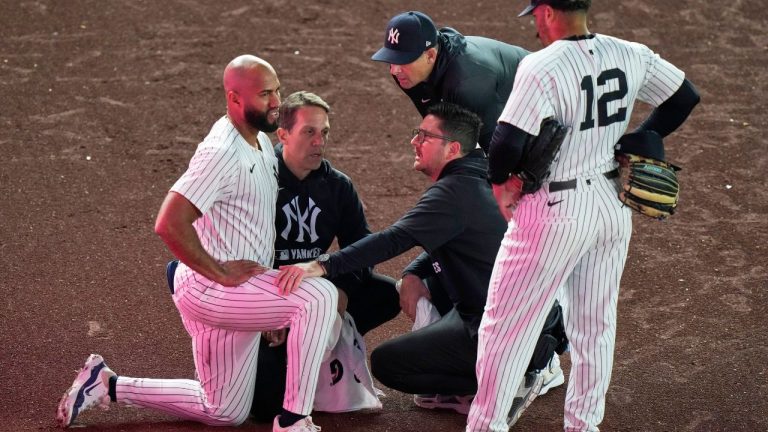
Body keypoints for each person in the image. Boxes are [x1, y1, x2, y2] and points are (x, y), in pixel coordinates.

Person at [56, 55, 338, 432]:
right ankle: (293, 421)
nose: (276, 103)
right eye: (266, 94)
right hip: (214, 288)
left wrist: (269, 307)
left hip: (238, 290)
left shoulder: (258, 146)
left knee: (224, 410)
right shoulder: (221, 153)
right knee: (319, 296)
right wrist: (220, 273)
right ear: (235, 98)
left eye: (278, 91)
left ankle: (107, 384)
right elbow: (168, 222)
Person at [467, 1, 701, 431]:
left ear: (550, 11)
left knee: (506, 329)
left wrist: (501, 183)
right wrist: (641, 135)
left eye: (536, 13)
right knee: (595, 326)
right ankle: (584, 426)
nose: (535, 22)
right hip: (612, 205)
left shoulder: (542, 65)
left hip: (554, 212)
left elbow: (505, 142)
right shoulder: (630, 53)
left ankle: (486, 426)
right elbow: (685, 96)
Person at [274, 102, 562, 417]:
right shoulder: (482, 173)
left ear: (452, 148)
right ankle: (516, 364)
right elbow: (453, 236)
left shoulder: (452, 193)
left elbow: (393, 239)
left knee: (388, 364)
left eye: (424, 136)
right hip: (533, 315)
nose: (414, 141)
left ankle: (509, 378)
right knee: (426, 280)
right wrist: (412, 272)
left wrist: (322, 265)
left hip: (503, 330)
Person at [249, 90, 400, 421]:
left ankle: (322, 349)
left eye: (324, 132)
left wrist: (343, 291)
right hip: (266, 299)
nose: (320, 142)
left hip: (314, 293)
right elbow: (240, 254)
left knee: (388, 294)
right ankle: (285, 354)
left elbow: (361, 246)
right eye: (309, 132)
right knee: (262, 409)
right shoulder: (258, 180)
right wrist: (267, 313)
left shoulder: (337, 186)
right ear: (283, 133)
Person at [370, 10, 529, 154]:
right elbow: (439, 126)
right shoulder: (407, 73)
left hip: (540, 95)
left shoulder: (467, 84)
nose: (394, 70)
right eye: (392, 59)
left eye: (403, 60)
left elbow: (495, 148)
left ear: (430, 55)